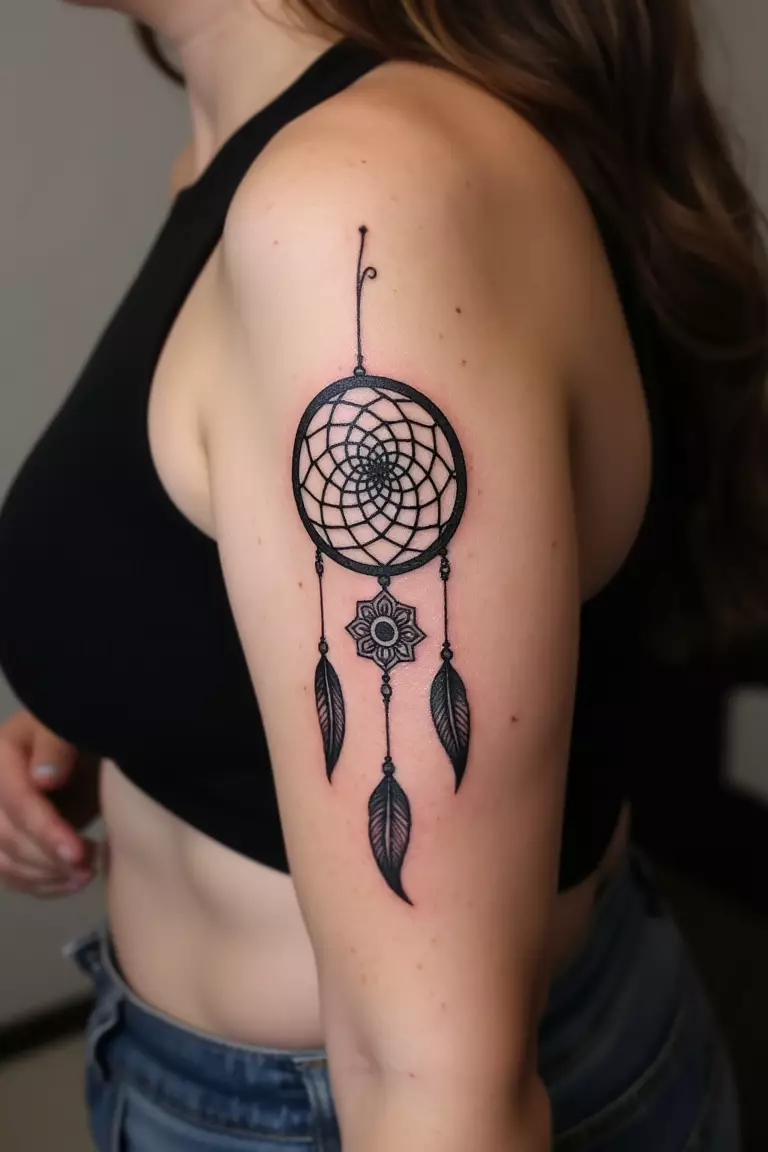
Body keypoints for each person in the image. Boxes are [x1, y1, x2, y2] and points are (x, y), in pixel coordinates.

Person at [0, 0, 764, 1148]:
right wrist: (106, 703)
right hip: (195, 1068)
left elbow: (437, 1090)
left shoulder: (355, 202)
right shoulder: (247, 146)